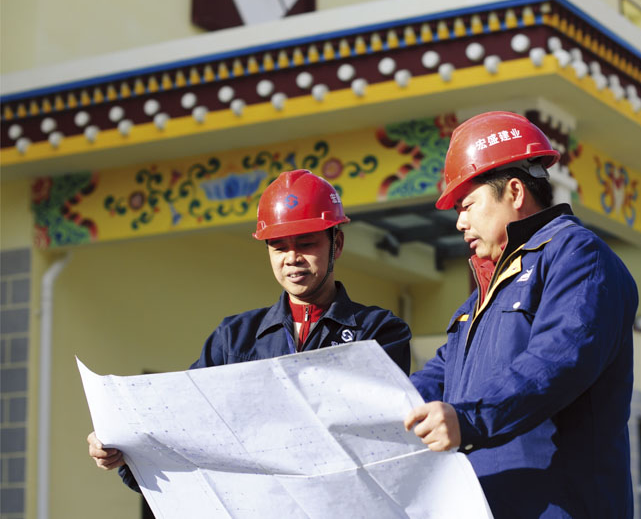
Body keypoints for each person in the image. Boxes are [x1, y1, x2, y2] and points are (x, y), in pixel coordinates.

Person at [88, 169, 412, 491]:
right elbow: (185, 423)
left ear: (336, 244)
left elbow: (378, 437)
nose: (292, 258)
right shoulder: (233, 338)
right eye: (279, 247)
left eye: (306, 243)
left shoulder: (379, 333)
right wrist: (123, 451)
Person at [404, 111, 638, 518]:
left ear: (514, 192)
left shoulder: (578, 256)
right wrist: (367, 411)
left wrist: (469, 419)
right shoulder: (477, 304)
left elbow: (558, 361)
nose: (459, 222)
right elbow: (434, 381)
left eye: (467, 205)